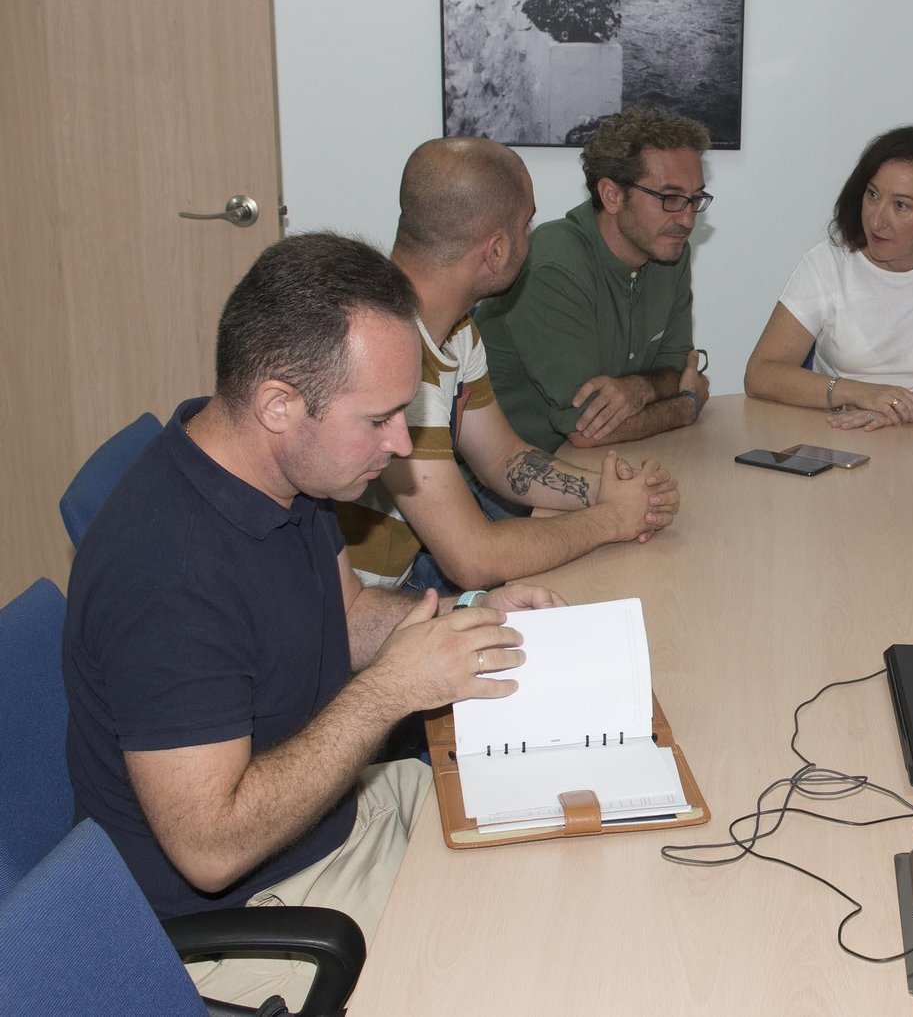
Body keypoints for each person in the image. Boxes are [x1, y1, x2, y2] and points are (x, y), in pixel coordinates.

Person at [62, 233, 566, 1010]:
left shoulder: (289, 473)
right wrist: (392, 691)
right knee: (519, 973)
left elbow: (350, 613)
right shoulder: (168, 573)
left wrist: (470, 615)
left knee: (561, 855)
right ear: (277, 406)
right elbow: (209, 848)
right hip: (243, 918)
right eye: (380, 419)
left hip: (337, 819)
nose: (401, 443)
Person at [337, 137, 681, 593]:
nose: (531, 238)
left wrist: (610, 487)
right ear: (496, 250)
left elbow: (503, 458)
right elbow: (473, 560)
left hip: (385, 593)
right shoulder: (389, 362)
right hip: (356, 612)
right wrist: (612, 518)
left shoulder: (456, 330)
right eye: (525, 224)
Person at [743, 125, 913, 431]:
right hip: (840, 431)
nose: (877, 221)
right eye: (873, 194)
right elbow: (760, 374)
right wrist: (862, 394)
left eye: (901, 205)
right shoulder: (829, 262)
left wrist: (905, 406)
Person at [477, 107, 711, 453]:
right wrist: (687, 405)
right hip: (513, 476)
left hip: (609, 461)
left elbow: (679, 368)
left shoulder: (670, 252)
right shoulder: (554, 269)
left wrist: (641, 388)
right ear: (612, 195)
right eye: (670, 198)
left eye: (695, 199)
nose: (688, 220)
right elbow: (587, 431)